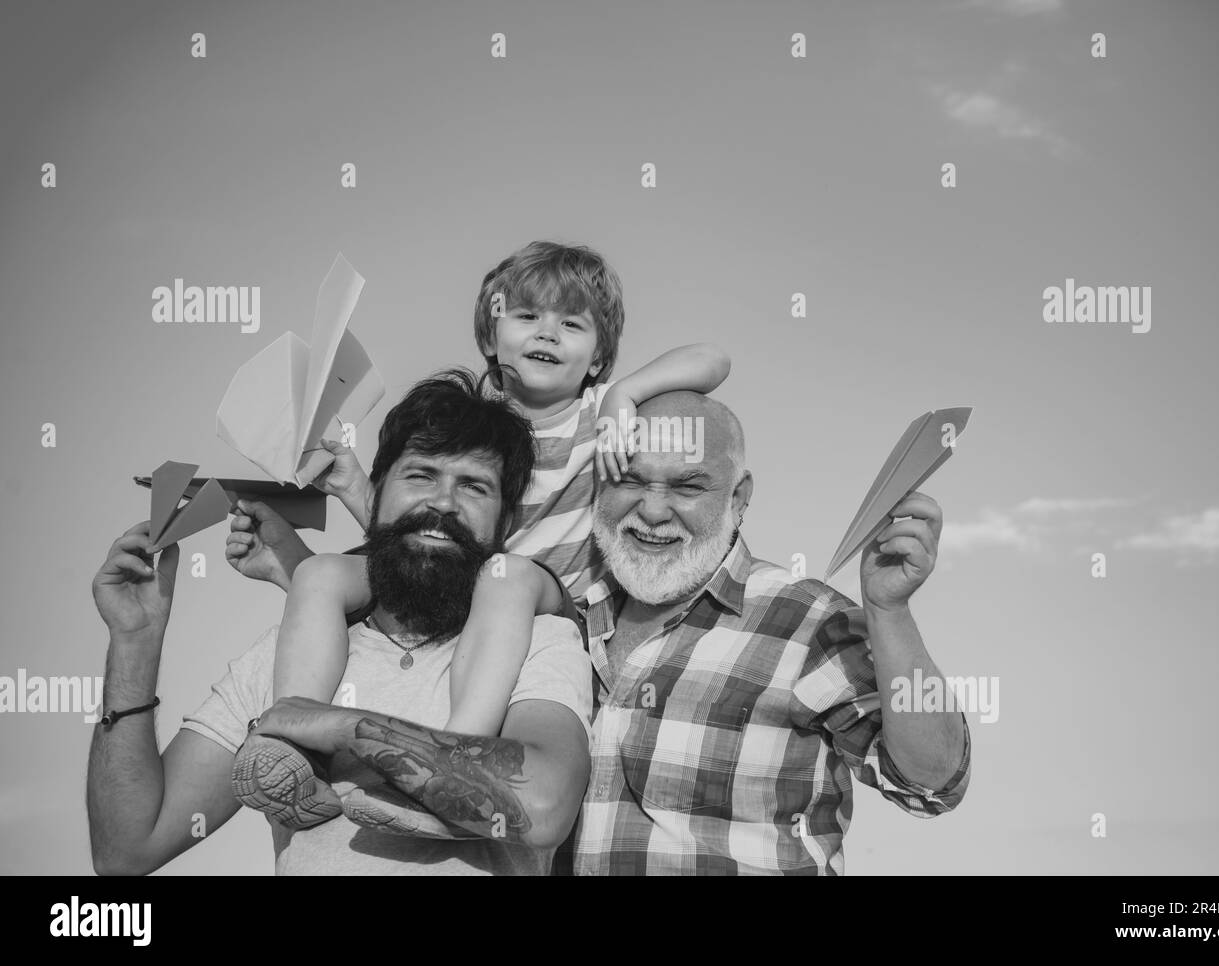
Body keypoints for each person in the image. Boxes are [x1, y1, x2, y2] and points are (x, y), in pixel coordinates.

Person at [249, 241, 729, 825]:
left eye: (571, 324)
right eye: (526, 317)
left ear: (599, 358)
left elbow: (713, 358)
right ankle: (290, 744)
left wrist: (627, 394)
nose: (547, 334)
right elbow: (428, 532)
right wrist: (355, 489)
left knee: (506, 576)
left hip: (548, 598)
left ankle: (448, 767)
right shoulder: (473, 423)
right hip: (463, 590)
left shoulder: (599, 412)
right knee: (320, 572)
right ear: (490, 339)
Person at [87, 370, 592, 875]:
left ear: (504, 523)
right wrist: (136, 640)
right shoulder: (291, 648)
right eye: (420, 475)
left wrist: (341, 728)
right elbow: (127, 852)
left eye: (474, 486)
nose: (443, 502)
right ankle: (293, 751)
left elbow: (543, 808)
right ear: (379, 495)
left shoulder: (537, 643)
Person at [559, 390, 972, 874]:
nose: (652, 511)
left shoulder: (809, 620)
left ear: (738, 498)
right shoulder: (566, 624)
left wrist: (890, 611)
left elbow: (932, 782)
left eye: (687, 487)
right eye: (629, 479)